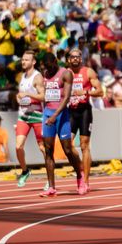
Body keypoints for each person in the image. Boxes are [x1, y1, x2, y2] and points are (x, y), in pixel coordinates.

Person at [40, 52, 85, 197]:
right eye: (45, 66)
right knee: (48, 150)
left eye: (49, 65)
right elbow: (44, 94)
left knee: (68, 150)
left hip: (62, 115)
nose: (47, 68)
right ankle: (51, 187)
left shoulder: (65, 74)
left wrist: (54, 115)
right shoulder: (44, 74)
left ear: (55, 61)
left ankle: (80, 176)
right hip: (48, 114)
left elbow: (66, 98)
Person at [68, 48, 103, 192]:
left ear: (81, 59)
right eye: (72, 57)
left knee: (84, 145)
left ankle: (86, 181)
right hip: (70, 111)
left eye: (78, 57)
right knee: (67, 146)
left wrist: (86, 92)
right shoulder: (65, 73)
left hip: (84, 112)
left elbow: (100, 92)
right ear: (69, 60)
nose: (75, 59)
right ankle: (80, 169)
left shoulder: (88, 72)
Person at [15, 51, 46, 187]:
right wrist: (18, 98)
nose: (23, 62)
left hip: (37, 115)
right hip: (24, 116)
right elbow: (19, 94)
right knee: (18, 146)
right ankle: (25, 171)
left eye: (27, 60)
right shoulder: (22, 76)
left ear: (33, 62)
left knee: (43, 148)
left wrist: (28, 94)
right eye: (22, 60)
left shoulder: (37, 77)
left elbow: (43, 96)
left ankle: (50, 177)